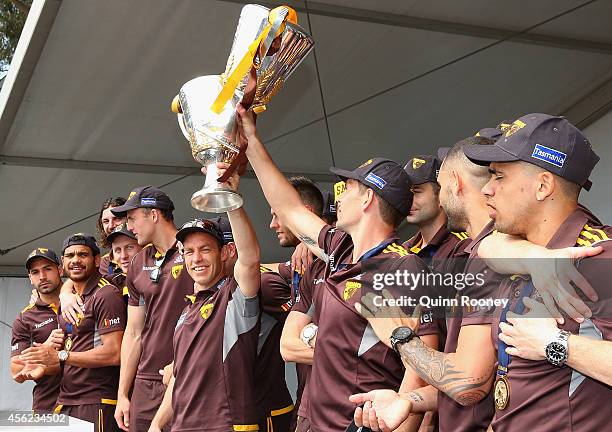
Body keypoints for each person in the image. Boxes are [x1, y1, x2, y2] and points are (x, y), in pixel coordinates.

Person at [236, 103, 429, 431]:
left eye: (349, 187)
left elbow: (418, 366)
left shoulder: (403, 267)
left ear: (368, 199)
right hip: (314, 421)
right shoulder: (341, 250)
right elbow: (289, 208)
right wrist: (251, 140)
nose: (339, 194)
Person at [463, 113, 612, 431]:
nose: (486, 190)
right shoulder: (520, 255)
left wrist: (555, 343)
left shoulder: (599, 256)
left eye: (499, 177)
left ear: (543, 186)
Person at [350, 137, 504, 432]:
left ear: (455, 184)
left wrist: (400, 337)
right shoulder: (483, 253)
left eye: (441, 189)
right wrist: (409, 401)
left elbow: (469, 385)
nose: (442, 200)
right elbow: (469, 374)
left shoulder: (489, 257)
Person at [149, 165, 262, 431]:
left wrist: (230, 199)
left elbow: (250, 258)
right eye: (189, 251)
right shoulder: (186, 311)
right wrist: (156, 425)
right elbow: (179, 376)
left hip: (225, 425)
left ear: (224, 252)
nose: (196, 258)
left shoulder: (233, 298)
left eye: (205, 249)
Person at [19, 234, 125, 432]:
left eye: (82, 255)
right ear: (64, 263)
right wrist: (44, 357)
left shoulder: (106, 294)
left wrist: (60, 356)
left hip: (96, 400)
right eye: (69, 256)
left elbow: (114, 352)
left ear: (96, 260)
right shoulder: (69, 298)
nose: (75, 260)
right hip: (66, 400)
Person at [109, 186, 194, 432]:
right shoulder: (138, 261)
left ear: (154, 215)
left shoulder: (192, 250)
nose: (130, 226)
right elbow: (134, 332)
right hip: (145, 382)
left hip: (186, 375)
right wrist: (123, 393)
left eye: (133, 219)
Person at [11, 248, 63, 412]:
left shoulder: (83, 300)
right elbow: (16, 370)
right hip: (46, 404)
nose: (42, 277)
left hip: (85, 399)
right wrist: (43, 350)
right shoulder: (24, 317)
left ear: (60, 270)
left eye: (47, 269)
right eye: (35, 272)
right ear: (30, 278)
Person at [105, 222, 143, 300]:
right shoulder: (112, 283)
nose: (123, 256)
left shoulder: (159, 273)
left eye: (129, 247)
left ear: (143, 247)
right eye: (117, 250)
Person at [98, 197, 128, 276]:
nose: (111, 226)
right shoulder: (104, 264)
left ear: (130, 218)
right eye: (106, 221)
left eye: (117, 218)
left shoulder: (149, 251)